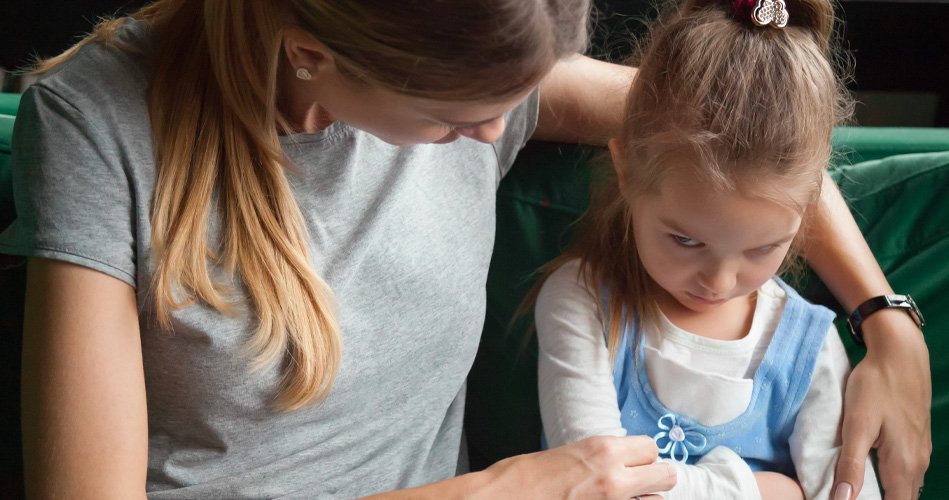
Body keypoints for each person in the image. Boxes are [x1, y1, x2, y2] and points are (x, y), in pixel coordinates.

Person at [0, 0, 927, 498]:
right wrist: (491, 496)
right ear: (312, 55)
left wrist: (884, 320)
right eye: (453, 123)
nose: (494, 138)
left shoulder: (486, 56)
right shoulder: (98, 120)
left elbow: (752, 140)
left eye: (516, 104)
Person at [533, 0, 925, 499]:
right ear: (627, 172)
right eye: (686, 240)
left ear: (809, 207)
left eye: (764, 248)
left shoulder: (810, 346)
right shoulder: (582, 301)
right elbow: (597, 488)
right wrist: (767, 490)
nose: (718, 282)